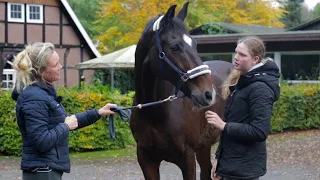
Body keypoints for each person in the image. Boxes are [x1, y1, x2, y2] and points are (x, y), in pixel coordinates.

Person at [11, 42, 117, 180]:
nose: (60, 67)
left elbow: (66, 121)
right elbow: (41, 141)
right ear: (41, 70)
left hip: (46, 169)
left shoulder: (42, 94)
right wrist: (66, 126)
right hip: (43, 172)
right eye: (55, 65)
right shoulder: (34, 98)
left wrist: (99, 112)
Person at [205, 36, 280, 180]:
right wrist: (219, 163)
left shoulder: (260, 89)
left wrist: (223, 125)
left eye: (242, 55)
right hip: (231, 167)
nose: (236, 57)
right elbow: (232, 129)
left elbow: (259, 131)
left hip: (245, 171)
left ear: (255, 59)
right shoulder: (243, 82)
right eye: (236, 52)